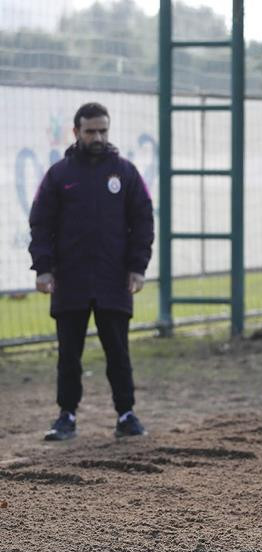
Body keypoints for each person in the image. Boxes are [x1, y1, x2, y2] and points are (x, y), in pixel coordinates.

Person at [29, 102, 154, 441]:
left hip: (114, 280)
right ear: (76, 132)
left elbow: (143, 221)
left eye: (103, 131)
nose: (97, 137)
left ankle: (126, 414)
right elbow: (41, 223)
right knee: (69, 353)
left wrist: (137, 268)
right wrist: (44, 269)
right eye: (91, 131)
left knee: (118, 351)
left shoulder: (125, 173)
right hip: (70, 280)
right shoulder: (59, 175)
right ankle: (66, 416)